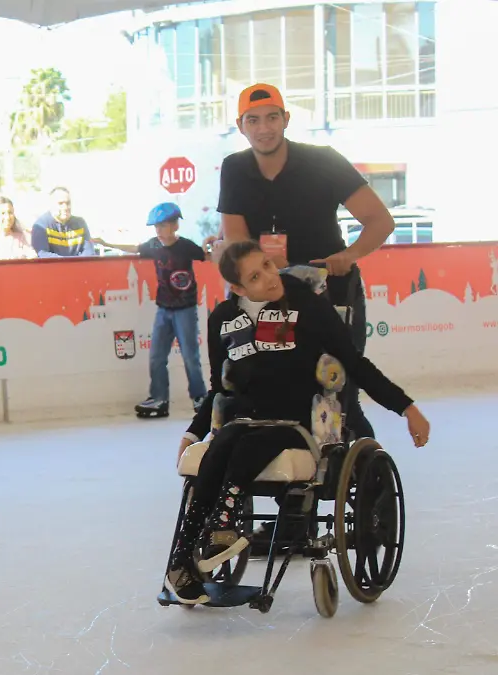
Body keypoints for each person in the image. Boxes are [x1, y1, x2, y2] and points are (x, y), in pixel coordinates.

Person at [164, 240, 430, 605]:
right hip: (245, 418)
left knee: (248, 442)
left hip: (299, 420)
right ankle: (182, 560)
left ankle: (223, 523)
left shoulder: (307, 305)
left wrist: (406, 407)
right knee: (221, 445)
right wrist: (194, 430)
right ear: (238, 289)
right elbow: (217, 388)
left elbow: (354, 365)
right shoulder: (223, 319)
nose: (271, 278)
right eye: (256, 277)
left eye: (269, 266)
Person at [217, 83, 396, 441]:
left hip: (329, 293)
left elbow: (380, 220)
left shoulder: (323, 160)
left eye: (271, 118)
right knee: (265, 386)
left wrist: (349, 255)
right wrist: (262, 261)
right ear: (241, 126)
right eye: (253, 120)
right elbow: (235, 240)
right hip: (267, 296)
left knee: (338, 390)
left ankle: (364, 471)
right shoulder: (234, 168)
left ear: (286, 119)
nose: (264, 128)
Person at [95, 202, 208, 416]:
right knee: (156, 356)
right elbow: (134, 248)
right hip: (164, 309)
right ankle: (158, 398)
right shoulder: (153, 246)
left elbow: (206, 255)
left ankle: (199, 397)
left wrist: (216, 244)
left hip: (185, 309)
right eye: (156, 227)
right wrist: (105, 242)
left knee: (190, 356)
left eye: (163, 226)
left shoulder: (185, 247)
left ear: (175, 225)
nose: (159, 231)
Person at [30, 187, 95, 257]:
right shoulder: (40, 226)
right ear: (51, 205)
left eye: (68, 203)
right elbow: (42, 254)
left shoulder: (80, 224)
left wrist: (76, 264)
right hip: (53, 267)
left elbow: (89, 251)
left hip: (79, 266)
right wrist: (67, 264)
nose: (65, 207)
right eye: (60, 203)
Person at [0, 197, 35, 261]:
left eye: (10, 213)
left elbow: (31, 259)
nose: (7, 217)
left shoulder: (24, 237)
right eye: (3, 213)